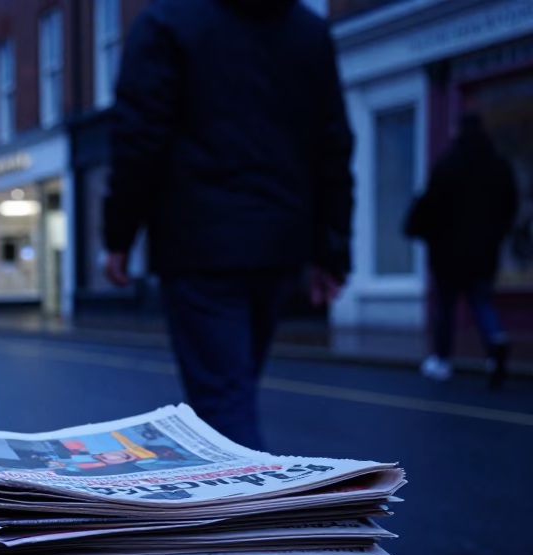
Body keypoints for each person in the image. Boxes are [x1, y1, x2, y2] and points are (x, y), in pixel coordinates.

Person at [102, 0, 353, 451]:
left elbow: (138, 139)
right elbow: (332, 145)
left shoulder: (166, 22)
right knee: (232, 391)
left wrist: (119, 237)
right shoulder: (308, 31)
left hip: (200, 243)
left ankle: (258, 516)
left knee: (223, 405)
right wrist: (331, 248)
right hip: (280, 241)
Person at [405, 114, 519, 389]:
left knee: (445, 305)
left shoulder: (447, 165)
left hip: (449, 252)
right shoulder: (498, 166)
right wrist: (496, 234)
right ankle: (495, 344)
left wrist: (423, 231)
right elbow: (510, 205)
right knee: (481, 301)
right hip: (484, 251)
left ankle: (442, 360)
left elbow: (428, 206)